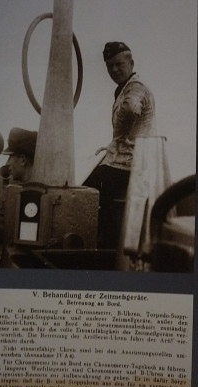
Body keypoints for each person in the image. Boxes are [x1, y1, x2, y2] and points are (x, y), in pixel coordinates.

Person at [86, 42, 157, 248]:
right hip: (123, 159)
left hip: (131, 163)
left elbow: (130, 109)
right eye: (109, 66)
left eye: (118, 64)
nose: (114, 70)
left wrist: (115, 142)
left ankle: (102, 245)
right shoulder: (125, 88)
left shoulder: (136, 87)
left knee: (89, 188)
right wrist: (111, 145)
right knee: (89, 179)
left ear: (131, 63)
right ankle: (101, 237)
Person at [0, 127, 37, 252]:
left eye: (10, 157)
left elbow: (1, 224)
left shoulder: (25, 193)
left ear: (22, 160)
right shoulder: (17, 187)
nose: (8, 163)